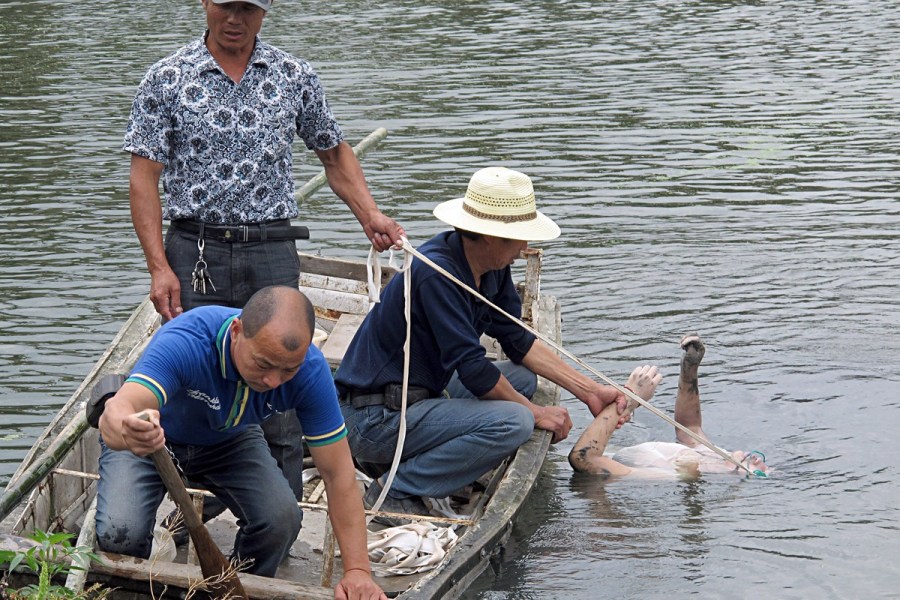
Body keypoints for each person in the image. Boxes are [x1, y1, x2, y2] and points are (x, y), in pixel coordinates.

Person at [123, 0, 404, 522]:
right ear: (206, 4)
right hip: (196, 249)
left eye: (248, 9)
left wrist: (371, 215)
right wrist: (159, 266)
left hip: (272, 249)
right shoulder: (167, 77)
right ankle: (189, 509)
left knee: (279, 375)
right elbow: (145, 177)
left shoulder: (294, 75)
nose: (235, 19)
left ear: (264, 12)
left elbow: (334, 153)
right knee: (198, 375)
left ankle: (279, 515)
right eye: (226, 6)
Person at [334, 166, 629, 520]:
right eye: (518, 238)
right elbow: (474, 371)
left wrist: (590, 391)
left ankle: (436, 461)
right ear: (491, 236)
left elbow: (517, 339)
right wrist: (536, 414)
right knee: (515, 421)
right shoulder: (436, 274)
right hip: (375, 418)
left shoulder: (491, 266)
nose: (524, 249)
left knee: (522, 379)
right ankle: (396, 489)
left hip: (422, 392)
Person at [95, 286, 386, 597]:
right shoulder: (186, 341)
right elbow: (117, 412)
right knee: (119, 534)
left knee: (281, 522)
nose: (273, 381)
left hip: (229, 439)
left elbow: (338, 473)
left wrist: (358, 571)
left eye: (288, 370)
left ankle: (233, 589)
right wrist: (127, 429)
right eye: (262, 364)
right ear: (237, 332)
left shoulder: (311, 372)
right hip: (152, 440)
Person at [568, 334, 769, 479]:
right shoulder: (712, 457)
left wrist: (631, 398)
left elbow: (584, 459)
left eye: (759, 470)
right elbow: (689, 428)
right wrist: (690, 368)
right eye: (764, 465)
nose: (758, 461)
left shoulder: (669, 474)